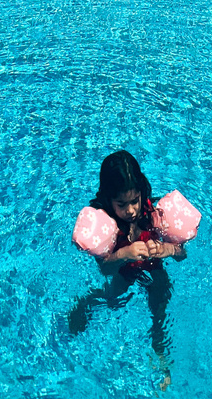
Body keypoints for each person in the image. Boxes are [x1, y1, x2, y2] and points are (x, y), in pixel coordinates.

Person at [67, 150, 186, 376]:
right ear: (109, 201)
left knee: (160, 301)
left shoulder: (152, 214)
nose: (131, 210)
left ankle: (158, 347)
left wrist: (165, 249)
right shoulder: (107, 226)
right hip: (123, 270)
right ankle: (87, 303)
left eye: (135, 201)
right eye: (122, 204)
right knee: (113, 299)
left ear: (142, 193)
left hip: (153, 267)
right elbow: (105, 268)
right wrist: (125, 254)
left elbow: (182, 254)